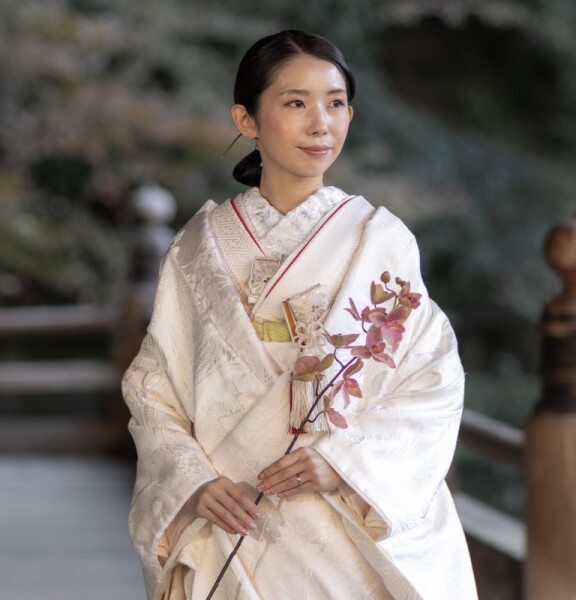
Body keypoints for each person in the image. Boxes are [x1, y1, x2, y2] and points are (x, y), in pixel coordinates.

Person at [123, 29, 477, 600]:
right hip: (232, 517)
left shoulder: (380, 241)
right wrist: (193, 481)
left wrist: (344, 463)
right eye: (295, 103)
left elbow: (432, 379)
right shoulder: (197, 249)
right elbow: (153, 386)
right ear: (246, 119)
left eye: (335, 104)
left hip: (340, 526)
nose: (321, 124)